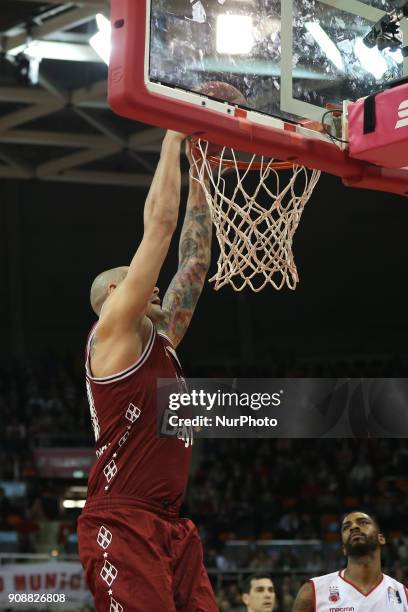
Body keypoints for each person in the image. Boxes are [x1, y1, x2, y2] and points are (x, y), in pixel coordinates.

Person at [77, 130, 218, 611]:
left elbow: (195, 260)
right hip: (121, 520)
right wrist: (175, 135)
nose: (155, 289)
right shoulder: (112, 333)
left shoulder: (160, 340)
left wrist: (203, 163)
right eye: (137, 281)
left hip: (171, 524)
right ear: (116, 294)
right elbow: (160, 228)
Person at [293, 511, 408, 611]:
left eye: (363, 522)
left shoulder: (404, 595)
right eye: (346, 527)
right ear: (343, 549)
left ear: (381, 539)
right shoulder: (312, 591)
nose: (353, 527)